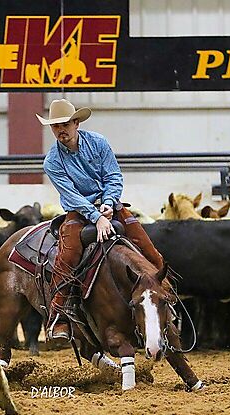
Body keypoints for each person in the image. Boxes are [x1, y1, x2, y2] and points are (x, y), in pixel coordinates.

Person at [38, 99, 166, 341]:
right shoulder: (52, 161)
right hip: (78, 212)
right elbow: (71, 195)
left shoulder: (98, 142)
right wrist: (96, 217)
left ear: (76, 123)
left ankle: (165, 298)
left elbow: (113, 176)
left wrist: (108, 202)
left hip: (110, 205)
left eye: (65, 124)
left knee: (149, 250)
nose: (61, 130)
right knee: (67, 257)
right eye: (55, 126)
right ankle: (59, 316)